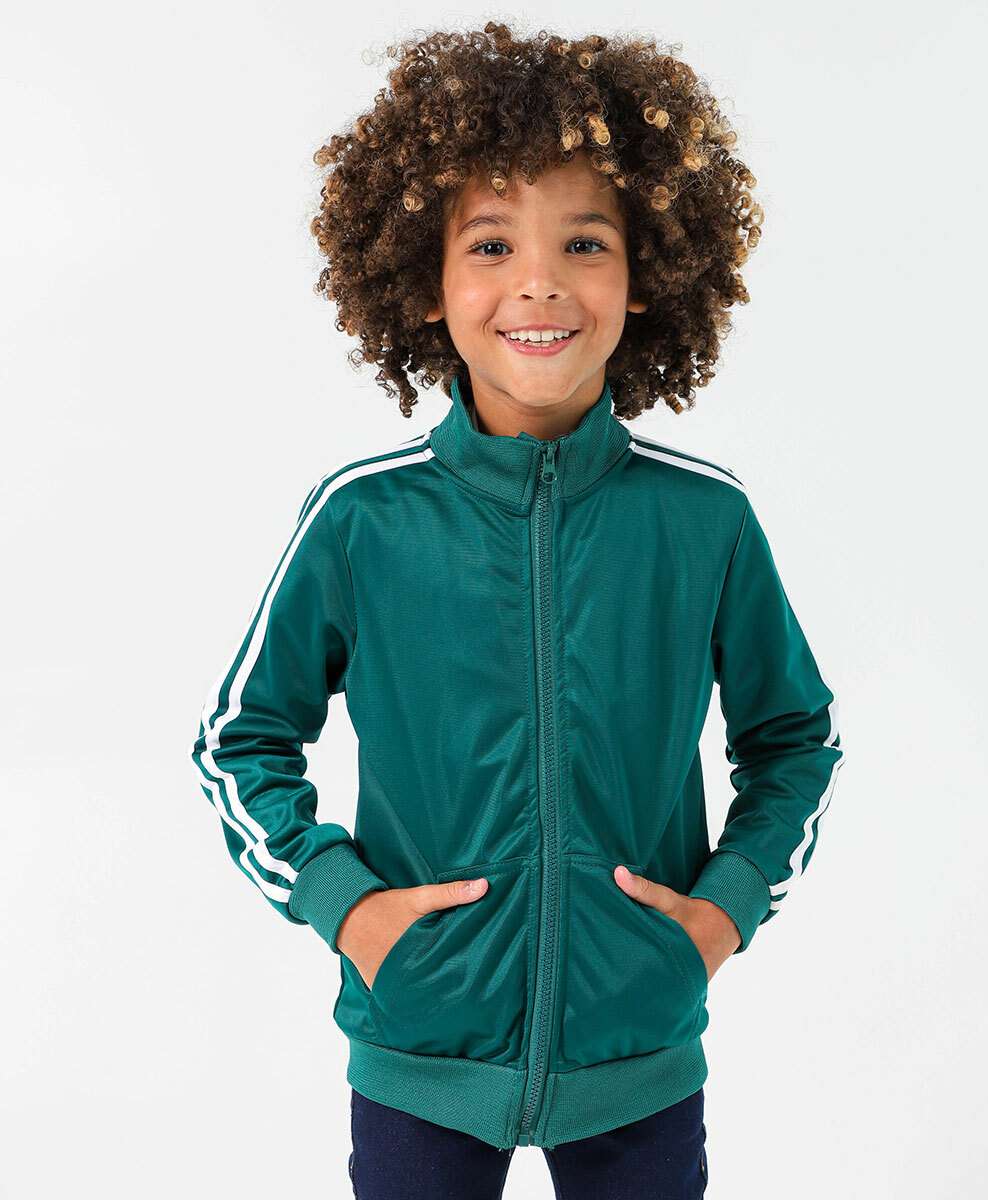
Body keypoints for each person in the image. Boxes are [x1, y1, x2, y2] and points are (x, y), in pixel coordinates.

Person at [190, 23, 844, 1199]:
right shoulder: (363, 518)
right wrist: (349, 909)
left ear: (645, 277)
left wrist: (718, 915)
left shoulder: (703, 521)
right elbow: (240, 741)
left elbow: (795, 739)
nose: (538, 282)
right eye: (490, 243)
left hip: (638, 1056)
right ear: (424, 281)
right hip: (418, 1053)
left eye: (584, 242)